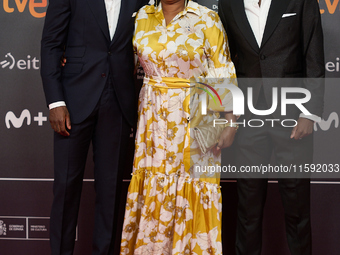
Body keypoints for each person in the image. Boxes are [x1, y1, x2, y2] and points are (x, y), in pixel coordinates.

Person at [119, 0, 237, 254]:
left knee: (195, 184)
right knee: (154, 182)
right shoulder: (141, 16)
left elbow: (223, 70)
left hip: (198, 116)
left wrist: (230, 122)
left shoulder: (206, 18)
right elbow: (117, 57)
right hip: (153, 116)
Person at [40, 0, 148, 254]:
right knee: (66, 188)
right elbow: (51, 44)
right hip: (74, 100)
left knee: (111, 191)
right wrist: (55, 101)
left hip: (119, 99)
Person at [218, 0, 325, 254]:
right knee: (247, 210)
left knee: (297, 209)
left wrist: (309, 114)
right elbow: (225, 63)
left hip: (292, 117)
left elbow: (313, 55)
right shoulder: (228, 4)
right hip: (248, 120)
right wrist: (230, 116)